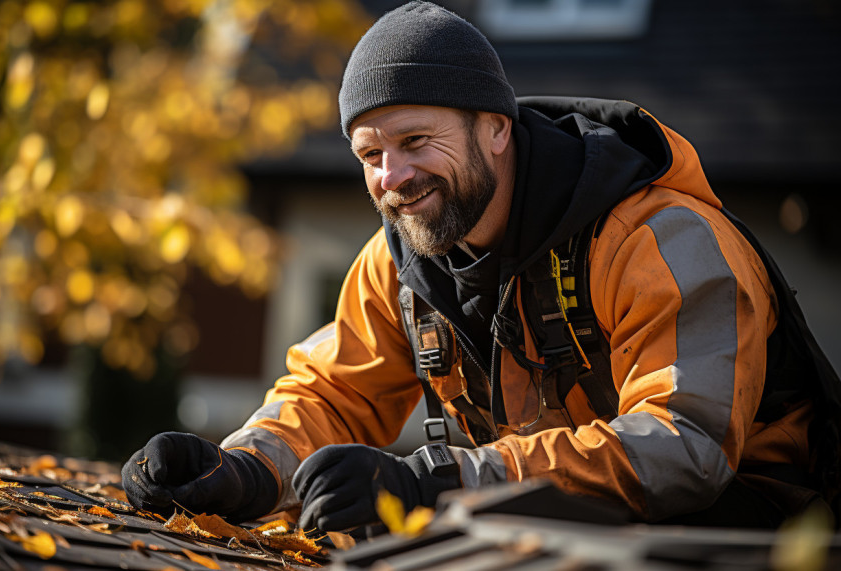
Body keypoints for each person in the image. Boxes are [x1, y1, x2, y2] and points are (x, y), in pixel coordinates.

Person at [122, 1, 838, 531]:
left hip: (757, 535)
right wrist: (244, 469)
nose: (392, 177)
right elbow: (331, 393)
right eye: (370, 155)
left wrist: (442, 479)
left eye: (415, 140)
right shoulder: (399, 263)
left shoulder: (659, 237)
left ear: (496, 128)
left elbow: (685, 447)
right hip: (555, 534)